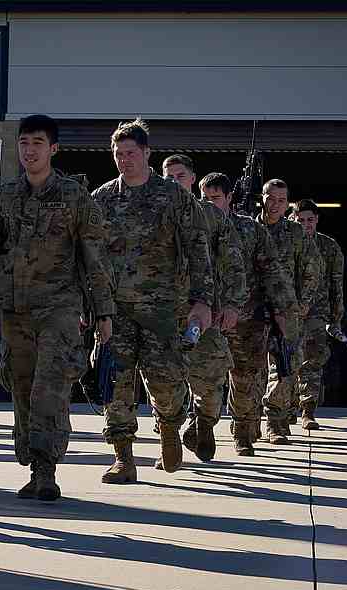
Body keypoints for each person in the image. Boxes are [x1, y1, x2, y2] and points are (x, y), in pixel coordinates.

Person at [0, 114, 115, 501]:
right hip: (15, 308)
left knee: (50, 386)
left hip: (60, 304)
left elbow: (94, 256)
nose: (29, 150)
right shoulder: (4, 197)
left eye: (38, 143)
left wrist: (103, 311)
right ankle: (31, 460)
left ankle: (46, 467)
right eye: (24, 143)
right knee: (21, 385)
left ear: (53, 149)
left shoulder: (74, 196)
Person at [91, 119, 213, 483]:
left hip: (164, 308)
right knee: (116, 382)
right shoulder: (101, 199)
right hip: (116, 310)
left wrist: (202, 300)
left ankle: (171, 427)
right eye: (118, 154)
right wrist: (92, 306)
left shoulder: (175, 197)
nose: (124, 160)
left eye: (131, 153)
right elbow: (90, 256)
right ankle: (123, 458)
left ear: (146, 153)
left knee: (166, 381)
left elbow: (197, 248)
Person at [200, 172, 296, 455]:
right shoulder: (193, 228)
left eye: (214, 198)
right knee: (205, 377)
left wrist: (283, 312)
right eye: (203, 198)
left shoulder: (251, 230)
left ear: (229, 198)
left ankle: (242, 431)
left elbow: (273, 274)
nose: (208, 204)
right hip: (205, 317)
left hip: (246, 319)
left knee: (244, 378)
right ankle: (202, 425)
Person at [160, 155, 246, 464]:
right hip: (164, 315)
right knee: (165, 383)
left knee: (210, 383)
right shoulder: (155, 213)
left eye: (179, 176)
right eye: (167, 176)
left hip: (205, 314)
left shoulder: (211, 216)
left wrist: (234, 304)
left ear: (192, 179)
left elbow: (234, 263)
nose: (173, 182)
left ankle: (204, 424)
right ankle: (168, 441)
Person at [258, 179, 322, 445]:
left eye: (282, 201)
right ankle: (246, 424)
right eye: (271, 199)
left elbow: (312, 269)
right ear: (262, 198)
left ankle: (276, 423)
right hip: (251, 309)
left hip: (286, 310)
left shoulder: (296, 233)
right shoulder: (248, 227)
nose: (275, 205)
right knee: (248, 371)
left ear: (288, 204)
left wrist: (303, 303)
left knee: (284, 367)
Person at [293, 199, 345, 429]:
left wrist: (336, 318)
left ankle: (308, 410)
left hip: (317, 313)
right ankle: (284, 409)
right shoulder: (286, 244)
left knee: (312, 362)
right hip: (290, 311)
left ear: (317, 220)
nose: (306, 224)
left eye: (310, 220)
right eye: (301, 220)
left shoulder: (329, 247)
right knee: (285, 362)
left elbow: (336, 284)